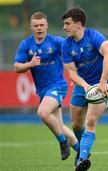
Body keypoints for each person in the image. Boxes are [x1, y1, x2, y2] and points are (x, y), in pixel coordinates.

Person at [14, 11, 79, 161]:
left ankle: (63, 143)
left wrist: (74, 74)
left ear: (47, 26)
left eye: (42, 25)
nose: (39, 28)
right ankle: (82, 152)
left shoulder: (56, 42)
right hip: (43, 91)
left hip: (58, 86)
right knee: (60, 126)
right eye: (36, 25)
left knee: (43, 112)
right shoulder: (26, 44)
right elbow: (17, 67)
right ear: (31, 27)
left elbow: (72, 54)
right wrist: (30, 64)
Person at [61, 7, 108, 171]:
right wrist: (84, 85)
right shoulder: (66, 44)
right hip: (81, 85)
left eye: (67, 23)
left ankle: (82, 159)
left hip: (102, 86)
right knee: (76, 124)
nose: (64, 27)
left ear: (78, 24)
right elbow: (71, 72)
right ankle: (83, 148)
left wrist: (103, 82)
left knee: (90, 121)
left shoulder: (93, 36)